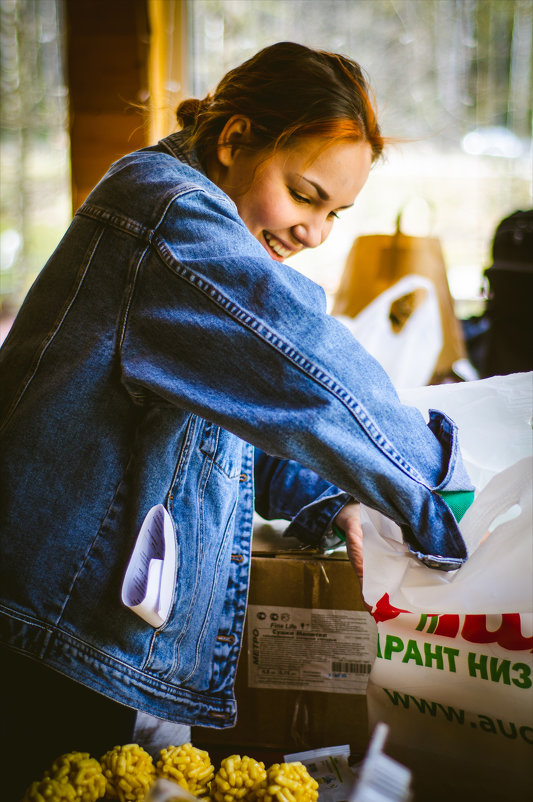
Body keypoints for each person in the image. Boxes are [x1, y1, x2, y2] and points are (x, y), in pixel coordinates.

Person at [0, 41, 474, 792]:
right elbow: (303, 364)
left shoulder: (173, 210)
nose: (315, 233)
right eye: (304, 193)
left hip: (84, 623)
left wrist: (334, 493)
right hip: (48, 629)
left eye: (335, 213)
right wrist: (442, 492)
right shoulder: (169, 217)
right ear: (234, 140)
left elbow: (229, 425)